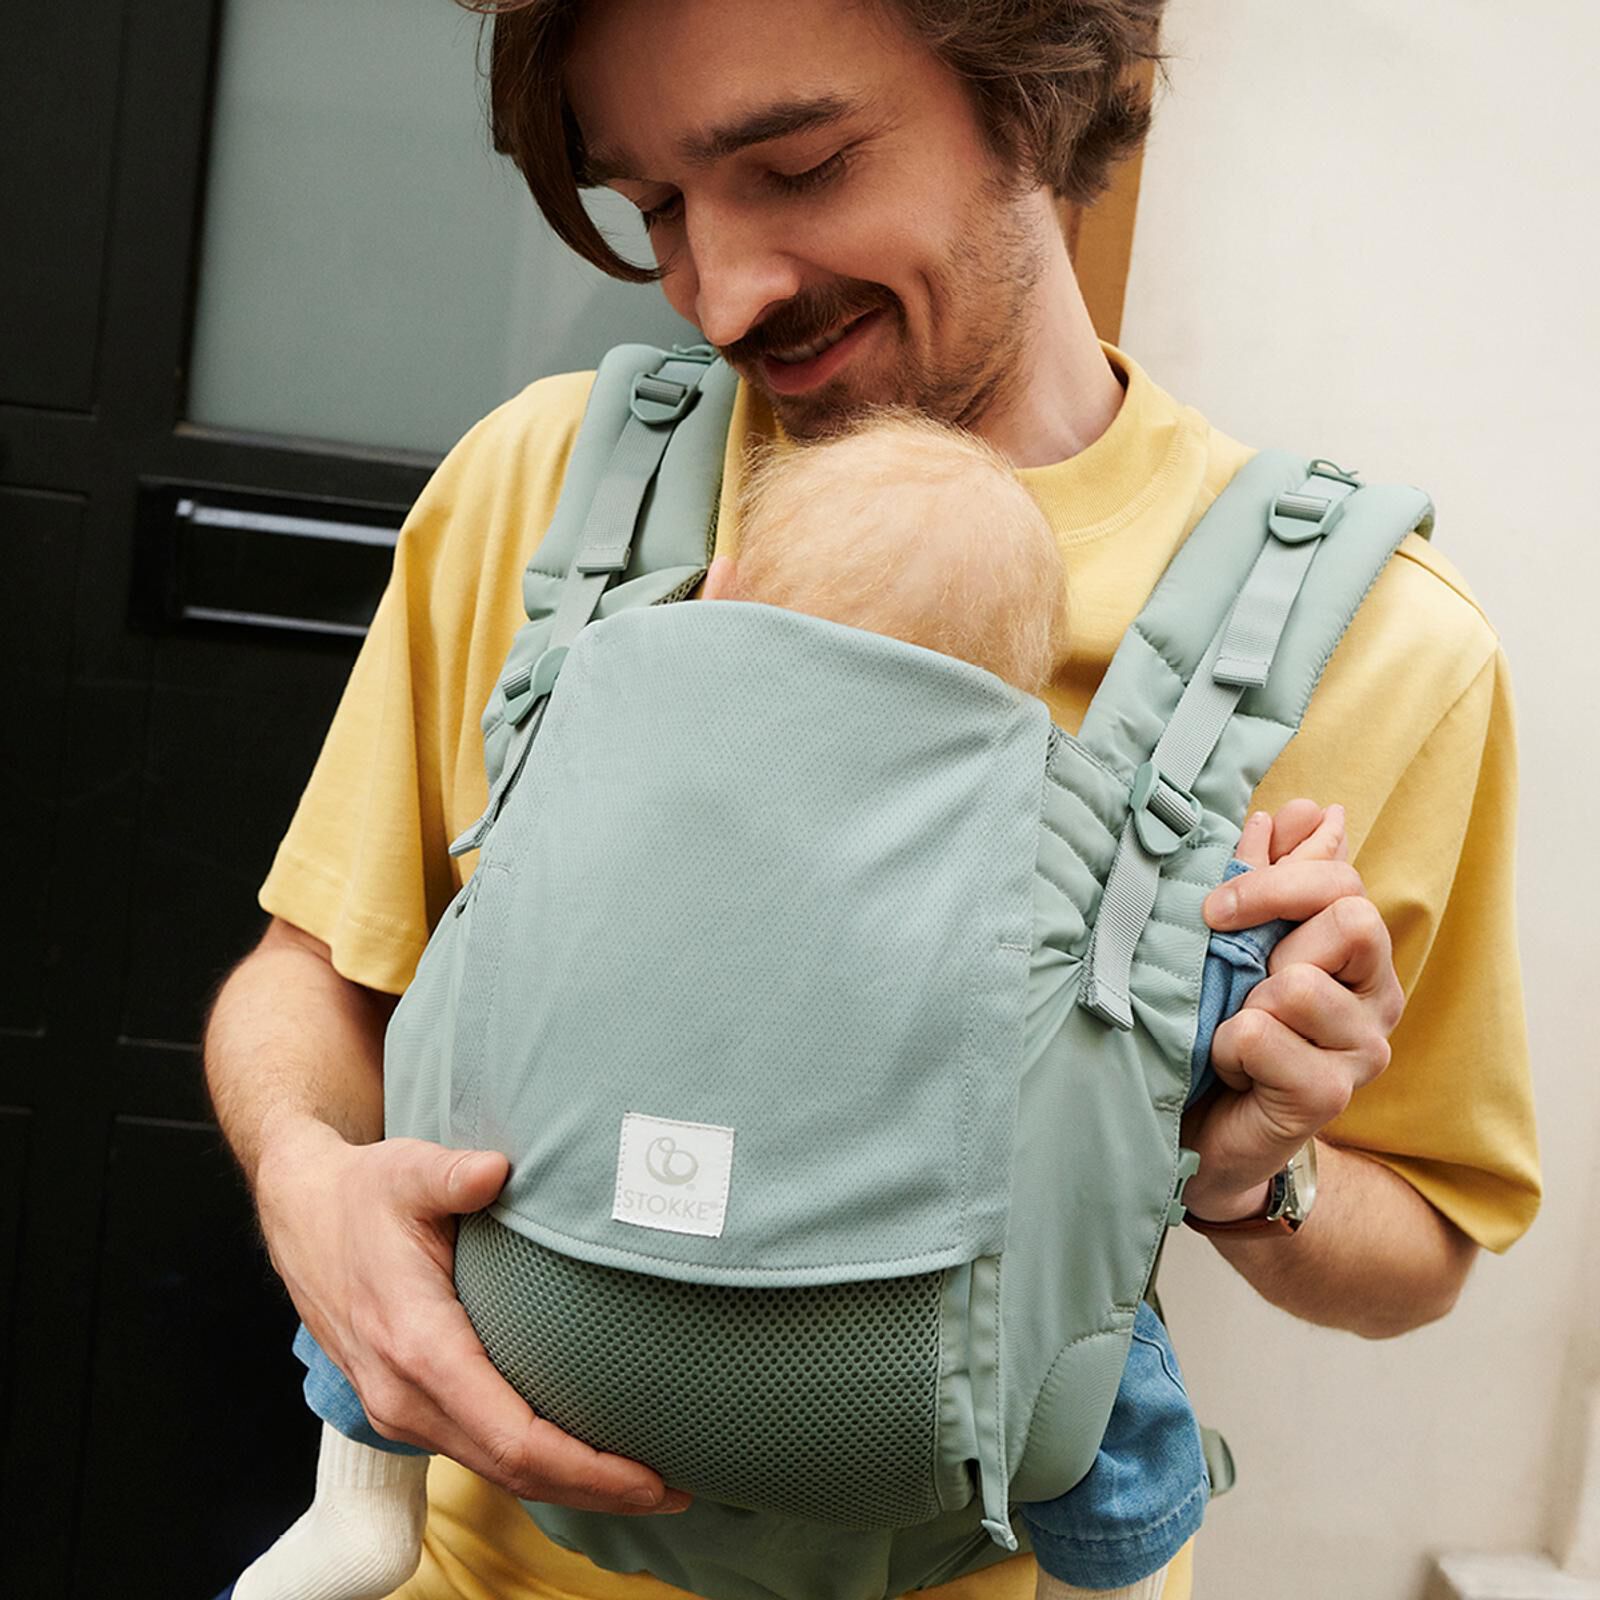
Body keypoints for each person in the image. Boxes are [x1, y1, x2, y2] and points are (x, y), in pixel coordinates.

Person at [203, 3, 1540, 1599]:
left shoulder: (1374, 645)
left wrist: (1249, 1167)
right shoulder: (553, 490)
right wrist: (310, 1188)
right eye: (659, 210)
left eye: (799, 165)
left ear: (1034, 91)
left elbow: (1425, 1253)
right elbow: (313, 978)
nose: (727, 290)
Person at [227, 411, 1330, 1600]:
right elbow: (1197, 993)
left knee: (388, 1216)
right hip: (908, 1377)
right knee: (1099, 1305)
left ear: (724, 590)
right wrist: (1264, 927)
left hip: (530, 1304)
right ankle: (1110, 1569)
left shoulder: (599, 731)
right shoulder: (1049, 826)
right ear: (1020, 689)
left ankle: (357, 1507)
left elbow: (363, 970)